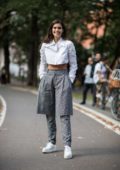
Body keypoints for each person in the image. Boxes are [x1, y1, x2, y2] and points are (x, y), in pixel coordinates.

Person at [37, 19, 77, 159]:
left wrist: (70, 80)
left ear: (63, 30)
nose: (57, 30)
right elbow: (42, 63)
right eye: (54, 28)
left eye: (59, 28)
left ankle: (67, 146)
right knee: (49, 111)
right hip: (48, 77)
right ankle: (52, 143)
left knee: (64, 112)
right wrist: (42, 76)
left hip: (63, 76)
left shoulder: (68, 44)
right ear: (51, 29)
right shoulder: (45, 45)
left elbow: (73, 64)